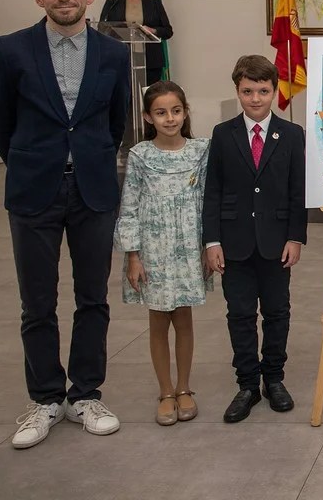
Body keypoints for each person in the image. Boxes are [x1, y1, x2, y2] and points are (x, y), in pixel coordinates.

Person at [0, 0, 130, 449]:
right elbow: (0, 124)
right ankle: (45, 398)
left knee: (94, 297)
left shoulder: (112, 55)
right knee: (37, 302)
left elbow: (117, 124)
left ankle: (85, 394)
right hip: (34, 190)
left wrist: (85, 159)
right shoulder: (11, 51)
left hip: (93, 190)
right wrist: (34, 161)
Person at [203, 55, 307, 423]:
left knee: (277, 311)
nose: (256, 99)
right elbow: (212, 190)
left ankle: (273, 378)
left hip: (277, 241)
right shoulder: (222, 134)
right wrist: (212, 241)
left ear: (274, 90)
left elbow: (298, 191)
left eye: (263, 91)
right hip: (235, 244)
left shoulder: (292, 135)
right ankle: (247, 383)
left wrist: (296, 236)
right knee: (241, 314)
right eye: (247, 91)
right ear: (237, 90)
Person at [115, 81, 212, 426]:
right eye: (160, 112)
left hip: (188, 247)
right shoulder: (140, 155)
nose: (169, 118)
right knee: (158, 321)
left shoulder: (202, 151)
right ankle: (165, 391)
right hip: (153, 251)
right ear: (148, 116)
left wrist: (209, 245)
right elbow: (129, 207)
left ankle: (185, 388)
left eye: (175, 111)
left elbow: (210, 202)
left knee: (183, 318)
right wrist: (133, 255)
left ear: (185, 113)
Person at [99, 0, 174, 85]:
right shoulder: (112, 3)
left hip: (150, 61)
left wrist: (153, 30)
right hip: (121, 58)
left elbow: (168, 31)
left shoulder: (154, 4)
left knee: (148, 97)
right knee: (124, 97)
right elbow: (102, 28)